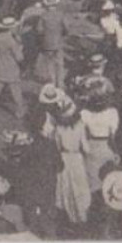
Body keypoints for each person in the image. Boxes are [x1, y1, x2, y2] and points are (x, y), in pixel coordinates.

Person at [44, 97, 91, 230]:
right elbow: (86, 148)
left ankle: (67, 216)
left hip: (64, 158)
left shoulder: (58, 128)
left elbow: (57, 147)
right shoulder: (80, 125)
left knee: (65, 188)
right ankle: (81, 217)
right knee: (80, 188)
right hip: (76, 158)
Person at [0, 17, 24, 120]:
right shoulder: (12, 41)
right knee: (16, 94)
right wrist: (20, 46)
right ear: (11, 28)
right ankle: (20, 112)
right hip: (11, 71)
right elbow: (19, 58)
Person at [35, 0, 68, 87]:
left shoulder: (43, 15)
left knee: (50, 65)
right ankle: (60, 84)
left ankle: (52, 83)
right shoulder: (61, 15)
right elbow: (67, 29)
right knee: (60, 64)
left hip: (47, 44)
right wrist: (62, 34)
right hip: (58, 43)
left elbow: (39, 30)